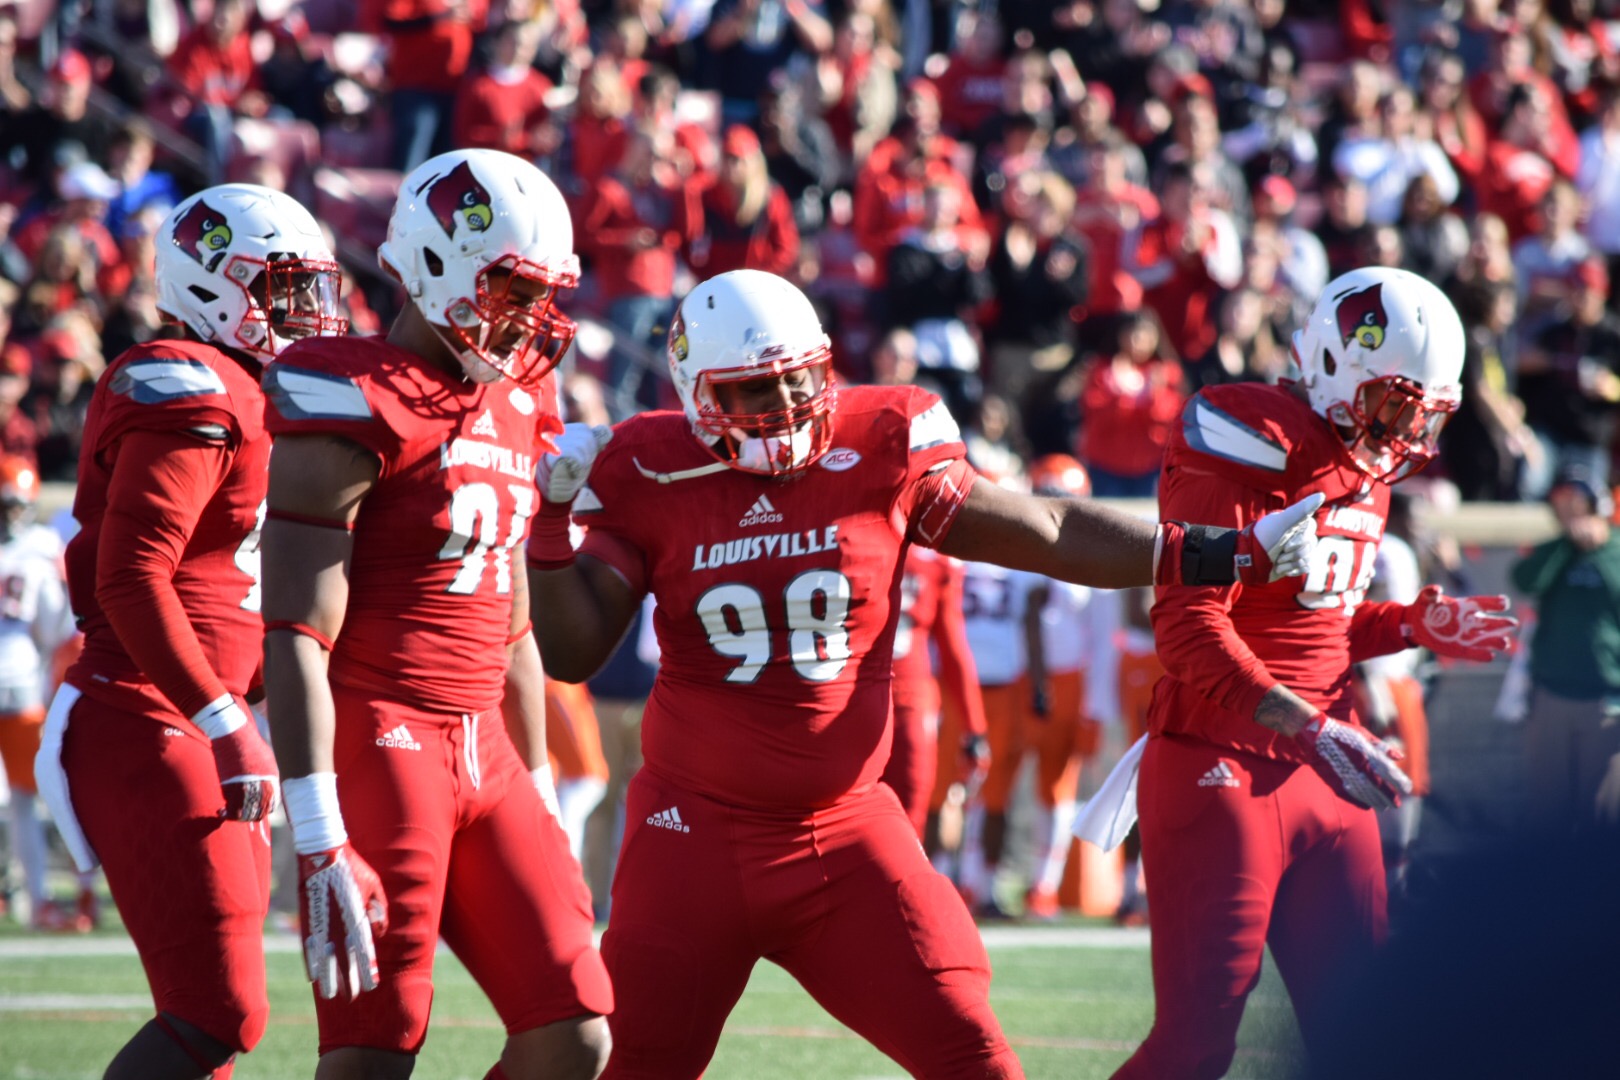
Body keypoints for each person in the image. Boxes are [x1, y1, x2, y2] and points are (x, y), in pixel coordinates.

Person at [526, 268, 1324, 1079]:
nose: (786, 407)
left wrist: (1218, 550)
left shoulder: (882, 437)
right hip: (690, 841)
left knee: (978, 1059)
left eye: (800, 380)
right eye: (755, 392)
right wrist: (549, 530)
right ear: (698, 398)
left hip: (846, 836)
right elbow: (572, 652)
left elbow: (1045, 528)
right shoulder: (647, 466)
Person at [1110, 266, 1518, 1080]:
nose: (1411, 437)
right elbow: (1189, 628)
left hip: (1328, 769)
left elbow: (1315, 629)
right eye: (1400, 407)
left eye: (1428, 415)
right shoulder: (1242, 434)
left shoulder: (1363, 466)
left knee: (1370, 1038)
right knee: (1194, 1050)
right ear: (1338, 366)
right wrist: (1303, 722)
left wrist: (1407, 625)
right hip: (1221, 767)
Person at [259, 148, 612, 1079]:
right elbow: (296, 630)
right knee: (378, 1047)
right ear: (437, 265)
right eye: (510, 288)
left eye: (541, 293)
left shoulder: (522, 397)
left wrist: (537, 775)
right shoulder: (348, 392)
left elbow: (514, 621)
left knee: (573, 1026)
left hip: (486, 747)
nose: (532, 317)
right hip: (381, 737)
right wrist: (317, 826)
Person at [34, 183, 347, 1079]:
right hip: (149, 711)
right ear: (213, 284)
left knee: (217, 1026)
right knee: (220, 1011)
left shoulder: (251, 387)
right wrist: (222, 718)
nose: (302, 314)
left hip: (204, 715)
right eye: (282, 289)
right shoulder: (186, 381)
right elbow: (127, 574)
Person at [1512, 464, 1620, 834]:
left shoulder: (1616, 550)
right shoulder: (1553, 551)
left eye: (1574, 499)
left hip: (1606, 700)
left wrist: (1601, 544)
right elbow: (1526, 581)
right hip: (1552, 695)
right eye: (1559, 500)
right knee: (1547, 807)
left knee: (1600, 810)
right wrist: (1565, 545)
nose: (1566, 508)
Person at [0, 456, 78, 930]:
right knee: (25, 800)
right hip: (22, 678)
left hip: (23, 682)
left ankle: (31, 896)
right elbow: (56, 623)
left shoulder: (40, 545)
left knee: (23, 797)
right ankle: (36, 898)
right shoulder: (41, 545)